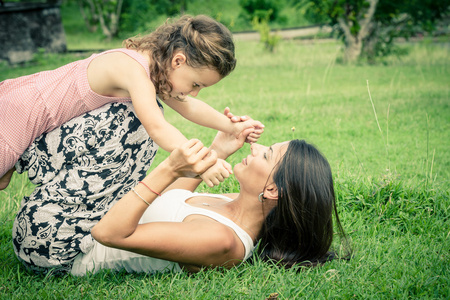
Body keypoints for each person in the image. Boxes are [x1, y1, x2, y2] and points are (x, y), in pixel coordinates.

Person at [12, 102, 348, 276]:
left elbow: (109, 234)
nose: (256, 149)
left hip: (60, 249)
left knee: (131, 120)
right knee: (136, 113)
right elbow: (175, 199)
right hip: (84, 217)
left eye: (269, 153)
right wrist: (218, 149)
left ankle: (10, 153)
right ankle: (13, 154)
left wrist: (169, 166)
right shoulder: (235, 203)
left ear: (273, 190)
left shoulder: (223, 241)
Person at [0, 14, 264, 190]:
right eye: (196, 84)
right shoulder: (133, 70)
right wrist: (204, 160)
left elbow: (188, 106)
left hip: (32, 113)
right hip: (20, 112)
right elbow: (157, 127)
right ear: (179, 60)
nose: (194, 93)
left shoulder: (156, 70)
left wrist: (232, 128)